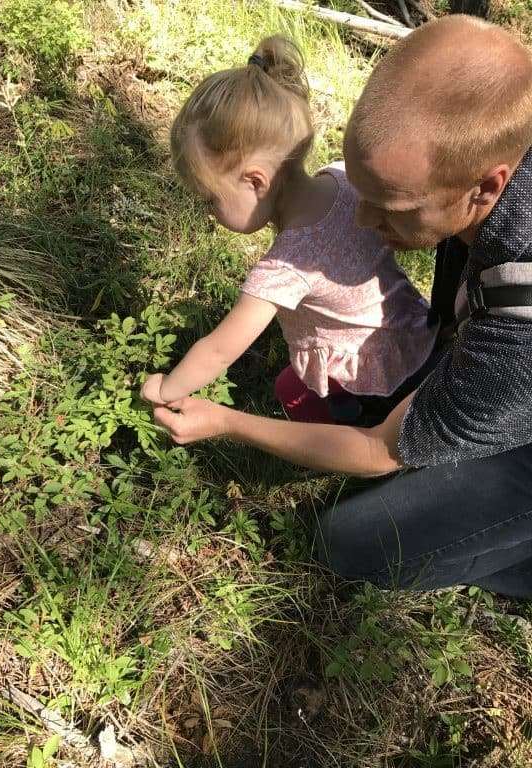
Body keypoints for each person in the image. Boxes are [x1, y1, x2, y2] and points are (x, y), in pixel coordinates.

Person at [148, 15, 532, 598]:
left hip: (479, 394)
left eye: (392, 207)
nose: (361, 220)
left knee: (350, 544)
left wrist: (220, 418)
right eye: (364, 190)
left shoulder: (516, 333)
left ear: (487, 186)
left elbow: (378, 448)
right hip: (432, 348)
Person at [141, 36, 438, 426]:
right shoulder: (342, 178)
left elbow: (219, 350)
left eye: (210, 199)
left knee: (290, 391)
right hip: (417, 332)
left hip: (375, 379)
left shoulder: (284, 268)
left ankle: (345, 435)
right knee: (291, 381)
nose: (208, 213)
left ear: (255, 182)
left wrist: (166, 390)